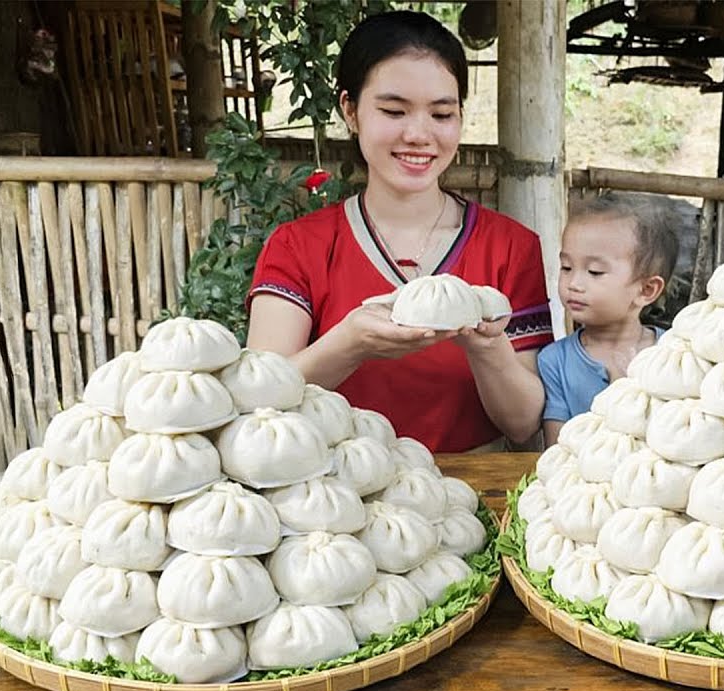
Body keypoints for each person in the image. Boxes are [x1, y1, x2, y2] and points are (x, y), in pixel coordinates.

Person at [245, 11, 552, 453]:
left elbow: (523, 425)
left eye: (442, 113)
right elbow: (260, 402)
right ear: (350, 111)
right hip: (334, 498)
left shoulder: (511, 247)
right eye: (393, 110)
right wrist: (349, 345)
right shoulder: (297, 247)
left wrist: (486, 345)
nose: (419, 134)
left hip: (473, 498)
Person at [538, 192, 678, 446]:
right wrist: (620, 395)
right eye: (566, 267)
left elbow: (678, 441)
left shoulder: (671, 355)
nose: (574, 284)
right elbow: (558, 451)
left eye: (594, 271)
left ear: (646, 290)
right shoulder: (555, 361)